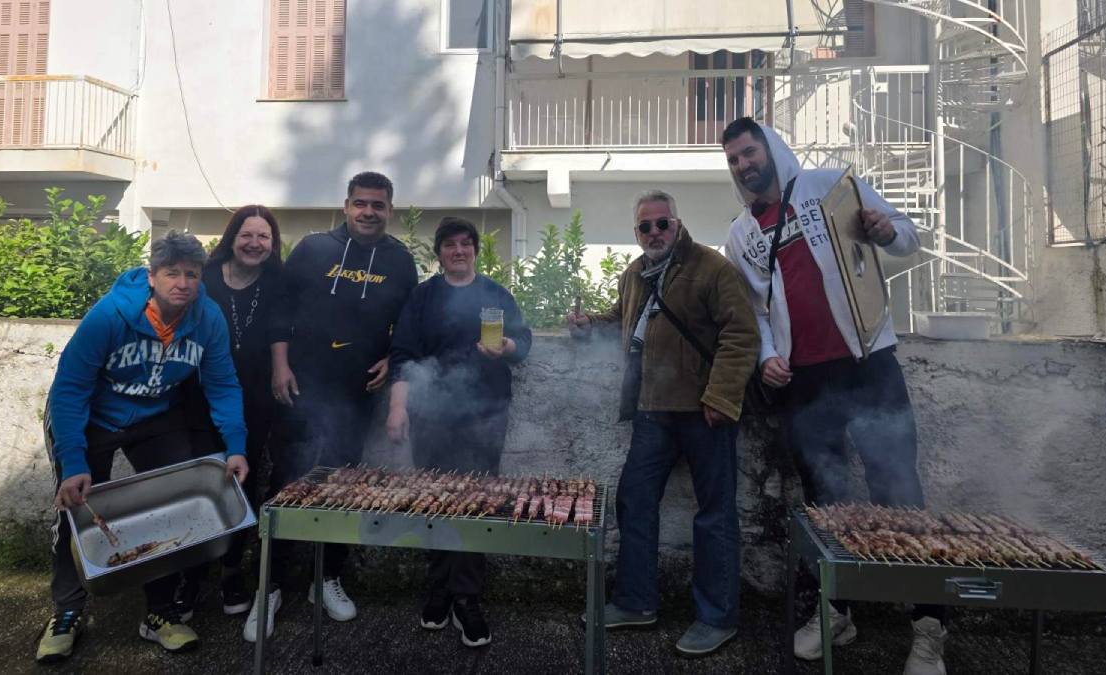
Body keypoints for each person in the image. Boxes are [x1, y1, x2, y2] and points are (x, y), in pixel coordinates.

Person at [721, 117, 946, 675]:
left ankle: (929, 627)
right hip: (804, 383)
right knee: (826, 501)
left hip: (869, 365)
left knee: (898, 490)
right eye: (734, 161)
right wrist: (767, 356)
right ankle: (837, 610)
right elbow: (754, 311)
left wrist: (885, 231)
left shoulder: (830, 186)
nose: (744, 166)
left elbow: (909, 236)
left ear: (770, 148)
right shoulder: (740, 234)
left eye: (749, 152)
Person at [36, 231, 249, 663]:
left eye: (191, 274)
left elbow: (223, 384)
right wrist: (74, 460)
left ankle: (159, 613)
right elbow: (70, 389)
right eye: (172, 273)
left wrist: (236, 446)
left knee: (170, 505)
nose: (183, 283)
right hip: (89, 417)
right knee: (75, 509)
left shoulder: (207, 319)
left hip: (155, 416)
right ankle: (68, 611)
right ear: (152, 276)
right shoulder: (110, 315)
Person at [566, 190, 759, 657]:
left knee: (713, 515)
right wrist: (591, 323)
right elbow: (626, 319)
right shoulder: (635, 273)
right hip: (652, 410)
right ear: (636, 233)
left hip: (704, 411)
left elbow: (742, 333)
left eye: (661, 223)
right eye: (645, 227)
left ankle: (717, 618)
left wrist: (720, 396)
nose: (654, 233)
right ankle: (636, 602)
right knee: (634, 501)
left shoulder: (711, 267)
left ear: (677, 223)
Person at [263, 171, 418, 638]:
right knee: (285, 480)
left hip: (357, 393)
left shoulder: (400, 260)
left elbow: (408, 329)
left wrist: (392, 360)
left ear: (389, 210)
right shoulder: (313, 249)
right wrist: (280, 366)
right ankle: (270, 584)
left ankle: (327, 578)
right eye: (361, 203)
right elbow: (280, 312)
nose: (369, 212)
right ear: (346, 205)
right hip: (300, 387)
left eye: (378, 205)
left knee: (343, 485)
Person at [385, 217, 532, 649]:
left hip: (485, 414)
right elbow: (403, 354)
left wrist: (506, 347)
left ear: (474, 251)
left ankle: (467, 597)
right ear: (440, 253)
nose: (459, 251)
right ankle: (438, 589)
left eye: (466, 244)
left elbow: (523, 342)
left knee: (475, 507)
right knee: (432, 501)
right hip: (431, 415)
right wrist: (397, 406)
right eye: (450, 245)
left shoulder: (496, 295)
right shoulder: (423, 298)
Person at [178, 205, 284, 636]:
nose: (255, 243)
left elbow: (287, 332)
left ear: (272, 245)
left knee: (241, 482)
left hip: (255, 400)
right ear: (232, 236)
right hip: (196, 397)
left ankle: (231, 570)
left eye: (264, 237)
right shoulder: (202, 277)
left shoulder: (278, 283)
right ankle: (190, 575)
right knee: (197, 485)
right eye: (247, 235)